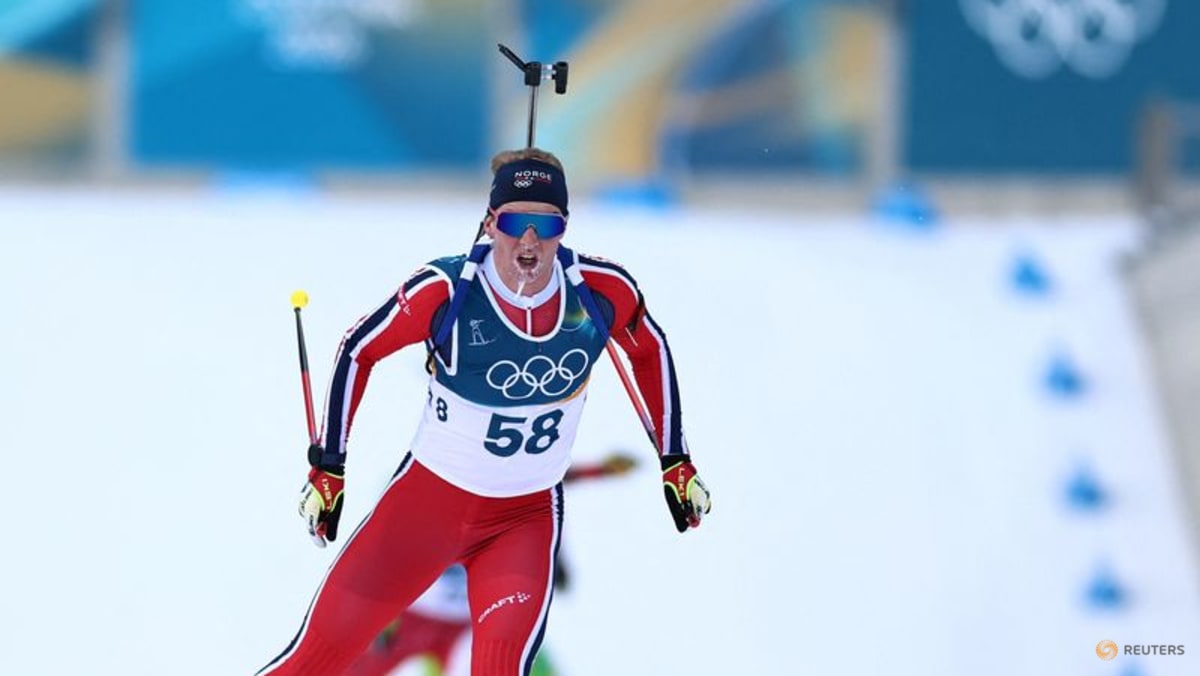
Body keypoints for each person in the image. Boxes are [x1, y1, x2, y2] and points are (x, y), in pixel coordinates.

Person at [257, 147, 711, 676]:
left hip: (521, 521)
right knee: (315, 663)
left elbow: (649, 349)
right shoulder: (448, 290)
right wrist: (329, 467)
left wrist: (675, 459)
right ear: (491, 223)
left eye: (547, 224)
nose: (530, 241)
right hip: (424, 510)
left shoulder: (602, 292)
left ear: (565, 227)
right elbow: (360, 347)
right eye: (515, 221)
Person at [345, 453, 639, 676]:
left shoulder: (504, 491)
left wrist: (602, 471)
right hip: (413, 617)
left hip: (469, 621)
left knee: (523, 661)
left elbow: (549, 483)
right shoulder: (427, 490)